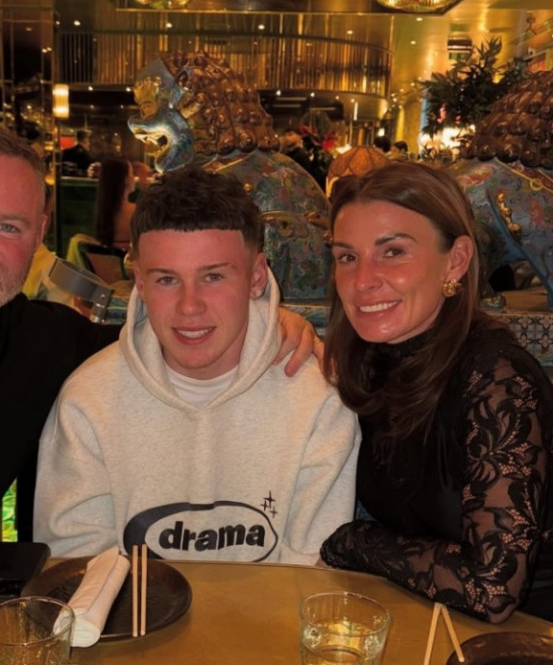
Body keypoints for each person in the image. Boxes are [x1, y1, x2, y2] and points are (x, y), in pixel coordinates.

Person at [0, 119, 318, 564]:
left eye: (8, 226)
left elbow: (176, 336)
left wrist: (267, 321)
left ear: (39, 235)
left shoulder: (48, 345)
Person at [34, 167, 359, 563]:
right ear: (139, 282)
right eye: (166, 280)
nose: (190, 307)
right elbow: (75, 570)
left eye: (214, 277)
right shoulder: (87, 400)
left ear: (257, 277)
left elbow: (314, 573)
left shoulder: (319, 400)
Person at [318, 161, 553, 623]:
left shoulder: (498, 379)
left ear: (456, 260)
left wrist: (351, 541)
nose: (362, 280)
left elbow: (492, 588)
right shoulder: (371, 357)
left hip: (529, 632)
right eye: (347, 257)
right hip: (423, 615)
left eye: (393, 252)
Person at [94, 157, 136, 251]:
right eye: (132, 173)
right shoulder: (135, 212)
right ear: (125, 179)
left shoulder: (103, 211)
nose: (134, 177)